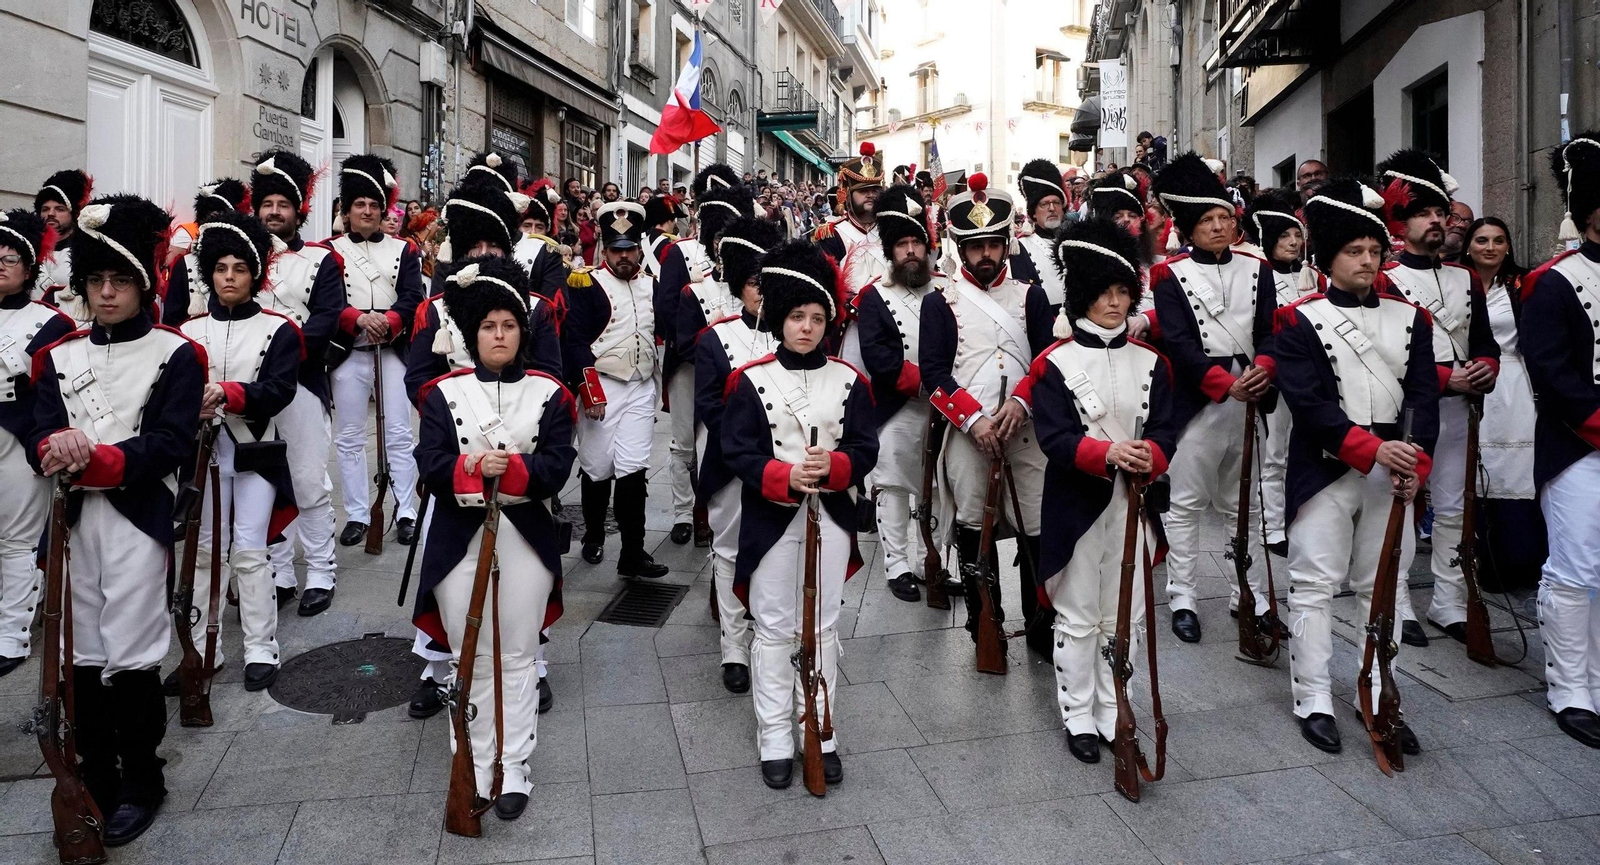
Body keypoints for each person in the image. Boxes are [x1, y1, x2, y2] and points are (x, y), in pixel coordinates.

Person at [27, 194, 204, 844]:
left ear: (141, 284)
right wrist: (52, 445)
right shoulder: (59, 355)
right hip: (73, 521)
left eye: (119, 280)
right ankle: (93, 775)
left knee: (128, 655)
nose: (106, 293)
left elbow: (168, 443)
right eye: (97, 280)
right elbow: (41, 429)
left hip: (136, 515)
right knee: (78, 654)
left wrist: (92, 455)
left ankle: (142, 781)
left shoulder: (176, 354)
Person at [1273, 177, 1439, 755]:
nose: (1368, 261)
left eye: (1374, 250)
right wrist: (1373, 451)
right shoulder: (1297, 320)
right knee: (1315, 586)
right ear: (1330, 258)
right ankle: (1314, 696)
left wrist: (1418, 462)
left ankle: (1377, 688)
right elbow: (1311, 407)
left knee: (1384, 588)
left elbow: (1423, 400)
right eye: (1354, 251)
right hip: (1325, 469)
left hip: (1395, 472)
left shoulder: (1412, 318)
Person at [411, 258, 577, 819]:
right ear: (472, 334)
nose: (499, 335)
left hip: (524, 534)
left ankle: (514, 767)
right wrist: (471, 471)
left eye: (508, 325)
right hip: (460, 534)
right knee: (470, 658)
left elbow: (557, 467)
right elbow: (430, 465)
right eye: (488, 326)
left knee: (519, 656)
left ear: (521, 333)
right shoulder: (440, 394)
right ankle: (473, 764)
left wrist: (511, 474)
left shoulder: (552, 392)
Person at [720, 239, 878, 789]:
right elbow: (735, 449)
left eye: (816, 317)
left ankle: (820, 727)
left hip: (830, 518)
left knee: (824, 627)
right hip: (770, 521)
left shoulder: (850, 381)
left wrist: (835, 467)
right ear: (780, 319)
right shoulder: (749, 379)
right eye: (796, 316)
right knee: (774, 629)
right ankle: (774, 734)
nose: (806, 328)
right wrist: (782, 476)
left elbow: (865, 450)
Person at [1030, 217, 1178, 763]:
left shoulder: (1154, 364)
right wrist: (1108, 453)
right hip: (1077, 503)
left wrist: (1151, 457)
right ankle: (1077, 713)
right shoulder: (1053, 365)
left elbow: (1165, 429)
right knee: (1077, 612)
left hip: (1134, 502)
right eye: (1102, 293)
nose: (1114, 304)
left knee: (1126, 614)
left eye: (1122, 292)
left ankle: (1117, 705)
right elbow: (1055, 438)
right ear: (1082, 298)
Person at [919, 173, 1057, 656]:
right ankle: (985, 623)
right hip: (968, 432)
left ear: (1006, 243)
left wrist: (1021, 402)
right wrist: (974, 421)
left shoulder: (1030, 296)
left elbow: (1046, 362)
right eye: (974, 245)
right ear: (960, 247)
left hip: (1028, 431)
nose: (984, 255)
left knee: (1038, 528)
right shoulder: (940, 303)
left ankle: (1043, 624)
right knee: (974, 528)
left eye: (992, 245)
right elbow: (933, 375)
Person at [1148, 153, 1280, 643]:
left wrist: (1262, 370)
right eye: (1208, 220)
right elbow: (1179, 344)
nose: (1220, 226)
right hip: (1200, 400)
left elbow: (1270, 331)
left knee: (1245, 503)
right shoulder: (1169, 276)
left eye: (1225, 217)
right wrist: (1224, 384)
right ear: (1188, 227)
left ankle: (1247, 589)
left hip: (1250, 394)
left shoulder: (1257, 267)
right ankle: (1183, 594)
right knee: (1184, 502)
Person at [1377, 149, 1499, 646]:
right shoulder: (1386, 279)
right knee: (1404, 503)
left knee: (1453, 508)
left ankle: (1449, 600)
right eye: (1424, 213)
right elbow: (1387, 354)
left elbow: (1486, 343)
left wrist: (1486, 369)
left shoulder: (1465, 278)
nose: (1436, 222)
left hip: (1461, 412)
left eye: (1439, 213)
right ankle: (1398, 600)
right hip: (1411, 411)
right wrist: (1450, 378)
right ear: (1401, 221)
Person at [177, 212, 302, 692]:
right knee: (206, 552)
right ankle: (204, 648)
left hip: (255, 454)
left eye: (239, 269)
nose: (229, 277)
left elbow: (278, 390)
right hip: (203, 456)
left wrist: (229, 394)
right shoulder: (187, 333)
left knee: (249, 550)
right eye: (221, 268)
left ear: (254, 275)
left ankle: (260, 647)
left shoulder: (279, 330)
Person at [1521, 133, 1600, 748]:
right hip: (1578, 446)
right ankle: (1570, 688)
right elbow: (1552, 372)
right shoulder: (1553, 282)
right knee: (1576, 568)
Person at [245, 149, 347, 618]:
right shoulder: (240, 260)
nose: (273, 212)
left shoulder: (322, 262)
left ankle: (321, 571)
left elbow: (327, 319)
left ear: (298, 209)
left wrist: (281, 357)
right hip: (249, 392)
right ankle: (281, 573)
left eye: (282, 204)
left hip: (301, 382)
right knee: (262, 483)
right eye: (266, 204)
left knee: (306, 480)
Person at [693, 216, 783, 694]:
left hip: (783, 466)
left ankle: (772, 636)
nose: (761, 292)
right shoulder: (715, 338)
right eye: (753, 283)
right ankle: (733, 647)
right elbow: (709, 404)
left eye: (769, 283)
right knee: (728, 550)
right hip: (729, 463)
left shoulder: (794, 333)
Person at [558, 201, 669, 579]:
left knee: (634, 467)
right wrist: (589, 391)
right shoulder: (587, 282)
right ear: (605, 250)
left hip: (640, 386)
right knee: (597, 466)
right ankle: (592, 534)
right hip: (602, 384)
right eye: (617, 250)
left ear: (640, 249)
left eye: (630, 249)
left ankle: (633, 552)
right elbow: (573, 341)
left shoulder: (653, 284)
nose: (624, 257)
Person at [327, 154, 424, 551]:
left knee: (400, 434)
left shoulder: (405, 250)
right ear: (347, 211)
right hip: (349, 351)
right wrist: (357, 319)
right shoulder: (328, 250)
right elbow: (327, 302)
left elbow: (412, 296)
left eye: (373, 205)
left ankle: (406, 510)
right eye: (359, 205)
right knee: (349, 437)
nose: (366, 211)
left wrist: (390, 322)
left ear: (383, 209)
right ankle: (357, 514)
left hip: (392, 349)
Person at [855, 185, 944, 602]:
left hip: (947, 409)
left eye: (916, 243)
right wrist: (928, 383)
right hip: (898, 406)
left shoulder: (948, 290)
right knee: (891, 483)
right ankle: (897, 564)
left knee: (943, 487)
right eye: (902, 244)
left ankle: (938, 559)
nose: (910, 251)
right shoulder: (874, 296)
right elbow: (880, 358)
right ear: (890, 252)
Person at [0, 209, 74, 677]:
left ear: (29, 267)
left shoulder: (49, 323)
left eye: (8, 258)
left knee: (16, 542)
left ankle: (12, 634)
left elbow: (54, 395)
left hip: (16, 441)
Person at [1456, 217, 1543, 590]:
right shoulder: (1454, 282)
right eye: (1481, 240)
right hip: (1466, 379)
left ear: (1508, 246)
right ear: (1469, 246)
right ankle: (1476, 560)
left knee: (1516, 470)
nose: (1490, 247)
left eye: (1498, 240)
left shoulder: (1524, 284)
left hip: (1514, 383)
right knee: (1470, 468)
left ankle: (1519, 561)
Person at [667, 173, 754, 546]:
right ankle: (684, 512)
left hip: (737, 372)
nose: (721, 245)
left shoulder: (751, 281)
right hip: (691, 369)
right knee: (684, 442)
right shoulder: (687, 269)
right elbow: (672, 319)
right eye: (716, 238)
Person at [1242, 189, 1310, 556]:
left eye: (1297, 236)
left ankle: (1296, 520)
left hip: (1307, 381)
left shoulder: (1312, 276)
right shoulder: (1260, 277)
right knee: (1274, 455)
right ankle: (1271, 528)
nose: (1293, 243)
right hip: (1275, 381)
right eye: (1284, 236)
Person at [815, 143, 886, 354]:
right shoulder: (832, 233)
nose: (871, 195)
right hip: (851, 325)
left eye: (875, 190)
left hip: (893, 321)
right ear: (847, 193)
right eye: (863, 190)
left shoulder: (892, 230)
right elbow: (827, 285)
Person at [162, 179, 253, 324]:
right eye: (209, 219)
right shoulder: (185, 264)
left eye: (220, 218)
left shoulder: (251, 261)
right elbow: (172, 320)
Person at [1009, 159, 1070, 315]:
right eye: (1044, 204)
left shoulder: (1076, 242)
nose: (1051, 208)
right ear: (1033, 213)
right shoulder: (1021, 246)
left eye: (1056, 202)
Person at [32, 169, 93, 318]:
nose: (50, 214)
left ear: (73, 214)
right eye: (45, 209)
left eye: (59, 209)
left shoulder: (87, 251)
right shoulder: (30, 250)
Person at [167, 178, 251, 270]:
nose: (215, 218)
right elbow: (169, 268)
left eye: (220, 212)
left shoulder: (245, 244)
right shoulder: (187, 234)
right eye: (211, 213)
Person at [515, 179, 571, 299]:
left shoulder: (553, 258)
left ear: (547, 231)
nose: (533, 232)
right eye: (527, 226)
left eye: (539, 227)